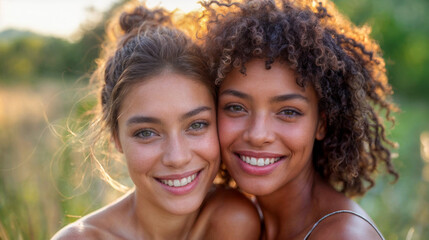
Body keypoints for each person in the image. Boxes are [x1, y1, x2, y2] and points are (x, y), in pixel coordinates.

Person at [52, 3, 260, 240]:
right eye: (146, 133)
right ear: (115, 137)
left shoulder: (231, 220)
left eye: (197, 125)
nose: (177, 157)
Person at [201, 0, 399, 239]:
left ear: (322, 123)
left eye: (288, 112)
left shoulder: (343, 236)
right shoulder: (236, 220)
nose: (258, 134)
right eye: (236, 107)